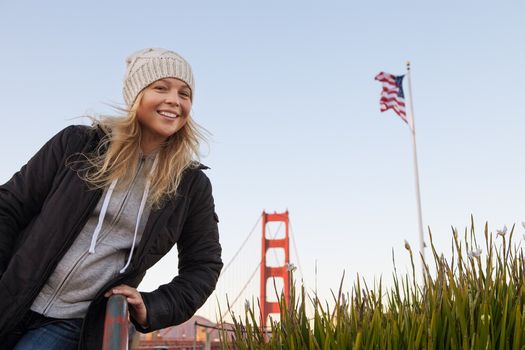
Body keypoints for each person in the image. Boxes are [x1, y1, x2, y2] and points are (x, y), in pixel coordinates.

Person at [0, 48, 223, 349]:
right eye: (161, 87)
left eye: (185, 93)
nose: (175, 100)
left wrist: (152, 305)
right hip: (12, 294)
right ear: (136, 96)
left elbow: (204, 264)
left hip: (76, 321)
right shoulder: (77, 144)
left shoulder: (191, 186)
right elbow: (9, 205)